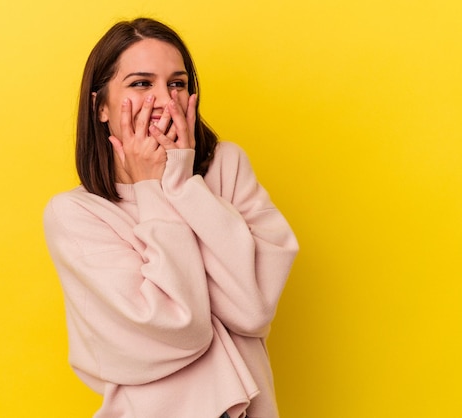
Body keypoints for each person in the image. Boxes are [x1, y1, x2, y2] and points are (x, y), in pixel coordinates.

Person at [43, 17, 298, 418]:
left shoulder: (226, 168)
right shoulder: (75, 214)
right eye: (141, 83)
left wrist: (179, 183)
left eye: (177, 83)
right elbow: (182, 328)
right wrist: (150, 188)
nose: (165, 99)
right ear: (101, 107)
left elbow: (252, 309)